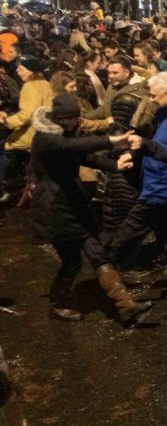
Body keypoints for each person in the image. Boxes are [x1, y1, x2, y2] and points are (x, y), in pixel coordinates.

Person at [31, 93, 153, 322]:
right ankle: (57, 305)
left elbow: (84, 156)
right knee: (71, 263)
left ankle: (125, 304)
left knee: (97, 253)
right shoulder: (46, 137)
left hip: (71, 202)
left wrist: (114, 165)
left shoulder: (67, 134)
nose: (77, 122)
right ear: (61, 119)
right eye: (72, 118)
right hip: (54, 207)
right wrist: (110, 140)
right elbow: (70, 146)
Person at [109, 72, 167, 299]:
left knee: (124, 237)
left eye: (154, 95)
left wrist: (146, 145)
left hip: (163, 190)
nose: (150, 99)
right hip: (161, 189)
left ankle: (105, 277)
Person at [0, 56, 54, 197]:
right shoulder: (45, 84)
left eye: (21, 69)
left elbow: (27, 114)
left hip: (30, 133)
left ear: (31, 71)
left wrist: (7, 121)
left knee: (6, 148)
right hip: (43, 131)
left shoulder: (29, 87)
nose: (18, 72)